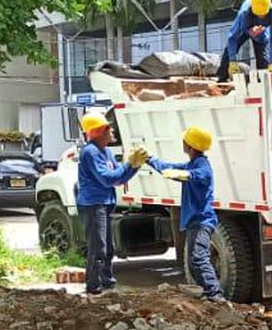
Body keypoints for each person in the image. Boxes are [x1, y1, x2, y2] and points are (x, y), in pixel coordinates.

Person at [145, 126, 225, 302]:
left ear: (189, 145)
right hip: (194, 222)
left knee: (198, 258)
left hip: (202, 221)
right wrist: (150, 159)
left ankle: (215, 295)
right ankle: (206, 293)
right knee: (192, 263)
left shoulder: (201, 165)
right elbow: (169, 167)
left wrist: (185, 175)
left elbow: (201, 175)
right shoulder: (192, 164)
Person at [77, 113, 148, 296]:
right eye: (108, 128)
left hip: (105, 203)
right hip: (94, 205)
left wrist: (133, 166)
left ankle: (107, 282)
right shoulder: (90, 152)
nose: (112, 130)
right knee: (98, 248)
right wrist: (129, 165)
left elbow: (119, 177)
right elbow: (108, 178)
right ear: (99, 131)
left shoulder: (106, 151)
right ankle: (94, 287)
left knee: (108, 248)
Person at [216, 0, 272, 81]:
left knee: (264, 61)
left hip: (260, 33)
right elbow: (232, 38)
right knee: (228, 53)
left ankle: (262, 83)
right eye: (258, 15)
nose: (261, 17)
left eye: (263, 15)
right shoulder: (244, 13)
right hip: (243, 30)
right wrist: (232, 61)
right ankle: (221, 79)